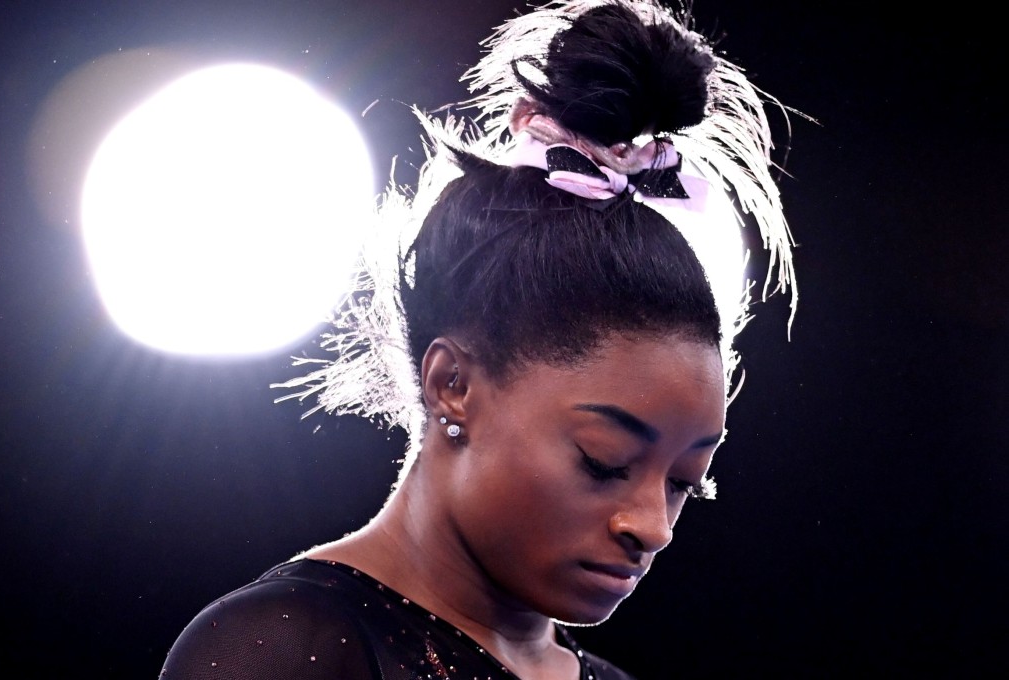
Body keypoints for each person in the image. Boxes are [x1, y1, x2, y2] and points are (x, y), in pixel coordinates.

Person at [159, 1, 797, 678]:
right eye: (604, 462)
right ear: (452, 385)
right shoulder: (291, 649)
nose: (653, 526)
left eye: (683, 485)